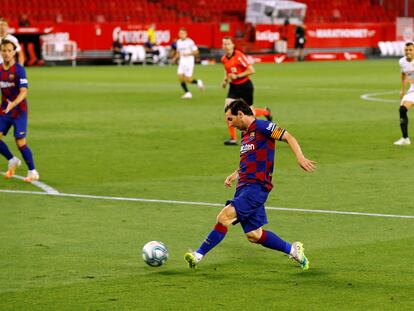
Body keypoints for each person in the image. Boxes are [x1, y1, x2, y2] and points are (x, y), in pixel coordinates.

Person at [184, 99, 316, 270]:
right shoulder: (245, 134)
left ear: (240, 114)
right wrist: (235, 174)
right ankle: (293, 250)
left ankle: (197, 255)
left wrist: (300, 157)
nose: (229, 124)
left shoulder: (262, 127)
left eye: (230, 119)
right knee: (254, 235)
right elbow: (250, 159)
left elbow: (288, 136)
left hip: (256, 187)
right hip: (243, 188)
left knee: (224, 217)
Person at [221, 36, 272, 145]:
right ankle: (233, 138)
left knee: (250, 113)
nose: (226, 46)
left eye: (228, 44)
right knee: (228, 110)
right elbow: (227, 71)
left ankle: (266, 112)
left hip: (245, 86)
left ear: (233, 45)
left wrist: (238, 75)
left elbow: (251, 70)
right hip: (233, 87)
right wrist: (225, 81)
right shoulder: (224, 58)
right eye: (224, 44)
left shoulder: (239, 56)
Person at [0, 40, 39, 182]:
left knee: (20, 141)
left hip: (19, 110)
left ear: (14, 52)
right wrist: (7, 106)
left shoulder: (19, 70)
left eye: (9, 50)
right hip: (5, 109)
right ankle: (12, 160)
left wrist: (13, 104)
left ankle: (32, 171)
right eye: (4, 50)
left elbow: (24, 92)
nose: (6, 53)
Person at [172, 28, 204, 99]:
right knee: (180, 77)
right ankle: (187, 93)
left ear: (186, 34)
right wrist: (175, 58)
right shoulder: (178, 42)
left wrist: (188, 54)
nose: (181, 35)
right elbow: (178, 52)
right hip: (182, 62)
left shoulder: (190, 42)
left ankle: (198, 81)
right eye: (180, 33)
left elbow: (196, 52)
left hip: (189, 62)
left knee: (188, 79)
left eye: (183, 33)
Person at [394, 42, 414, 146]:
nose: (408, 52)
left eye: (410, 50)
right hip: (412, 90)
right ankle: (405, 138)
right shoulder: (402, 61)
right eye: (406, 50)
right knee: (402, 109)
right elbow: (403, 74)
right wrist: (402, 89)